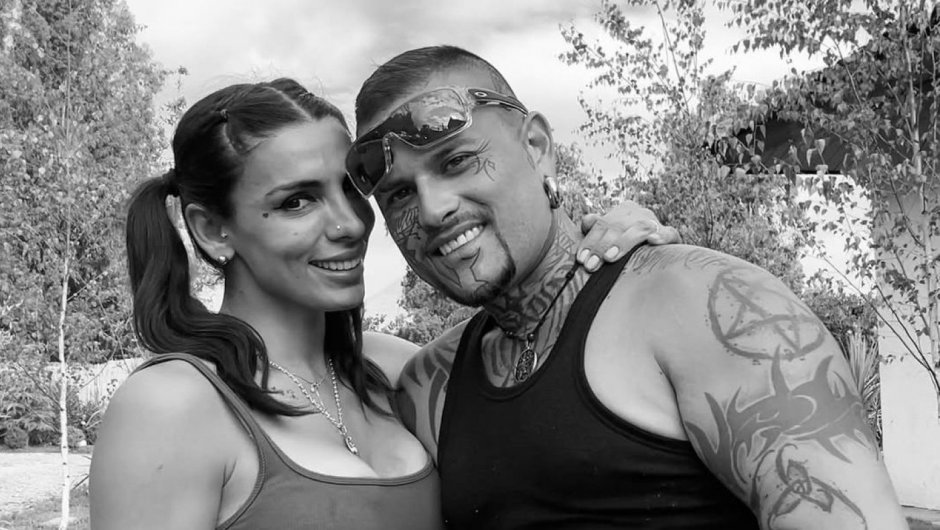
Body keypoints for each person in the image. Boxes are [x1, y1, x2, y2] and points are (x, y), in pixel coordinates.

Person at [348, 45, 910, 529]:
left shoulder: (707, 306)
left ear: (537, 146)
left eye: (457, 161)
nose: (433, 209)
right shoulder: (428, 388)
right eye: (399, 194)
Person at [88, 78, 675, 529]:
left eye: (351, 189)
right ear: (213, 230)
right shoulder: (173, 405)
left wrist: (606, 249)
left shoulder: (399, 371)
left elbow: (541, 351)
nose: (348, 223)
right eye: (297, 201)